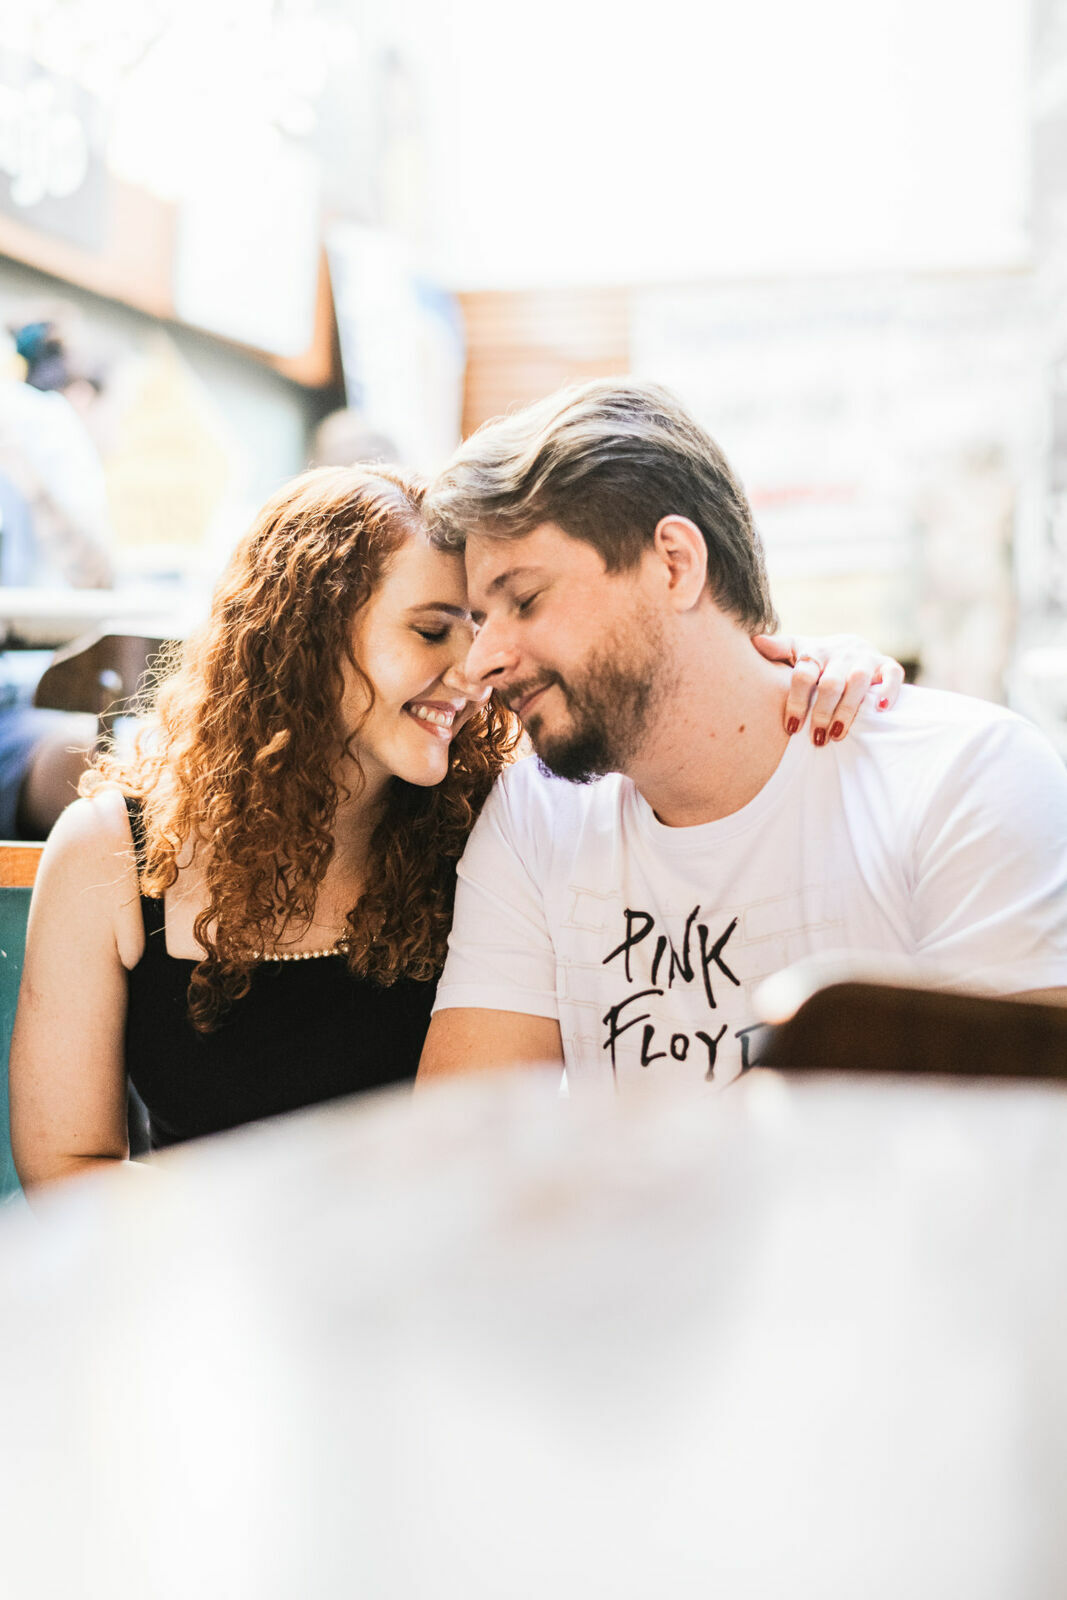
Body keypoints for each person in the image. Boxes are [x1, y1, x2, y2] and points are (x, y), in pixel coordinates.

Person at [10, 460, 894, 1186]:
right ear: (301, 637)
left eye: (480, 632)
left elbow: (680, 728)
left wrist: (815, 669)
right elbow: (67, 1165)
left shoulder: (500, 823)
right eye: (432, 630)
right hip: (201, 1307)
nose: (472, 671)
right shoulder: (108, 855)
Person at [417, 379, 1067, 1091]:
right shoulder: (532, 814)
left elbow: (1017, 1156)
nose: (481, 660)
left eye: (525, 600)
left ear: (674, 564)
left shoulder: (966, 776)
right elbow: (468, 1146)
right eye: (481, 619)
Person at [0, 319, 116, 838]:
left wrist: (27, 463)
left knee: (106, 765)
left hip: (14, 710)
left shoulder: (33, 426)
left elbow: (96, 574)